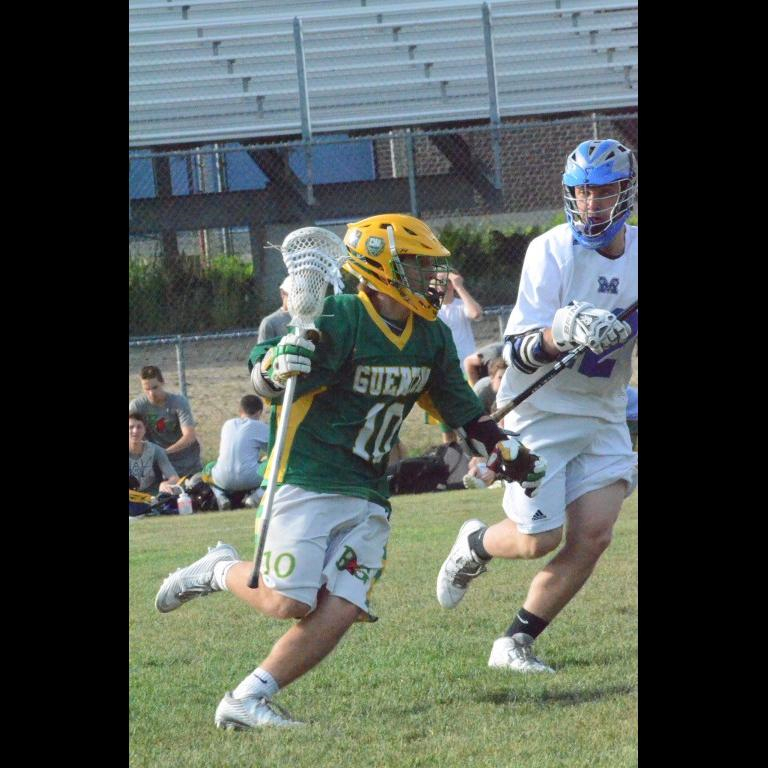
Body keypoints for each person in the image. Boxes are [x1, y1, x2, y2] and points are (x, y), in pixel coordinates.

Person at [154, 213, 547, 729]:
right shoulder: (339, 317)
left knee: (343, 603)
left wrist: (506, 450)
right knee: (287, 602)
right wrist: (276, 366)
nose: (432, 277)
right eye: (418, 265)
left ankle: (248, 699)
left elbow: (463, 412)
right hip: (308, 476)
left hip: (369, 488)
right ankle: (218, 569)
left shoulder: (429, 335)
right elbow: (265, 369)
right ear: (382, 269)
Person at [436, 138, 638, 674]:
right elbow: (516, 350)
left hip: (603, 411)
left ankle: (515, 642)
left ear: (626, 193)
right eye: (581, 193)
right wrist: (562, 332)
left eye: (602, 192)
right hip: (542, 410)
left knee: (593, 535)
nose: (590, 204)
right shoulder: (552, 250)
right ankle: (476, 542)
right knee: (537, 539)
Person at [433, 271, 483, 443]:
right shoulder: (431, 309)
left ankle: (478, 453)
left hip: (467, 371)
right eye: (436, 280)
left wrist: (459, 287)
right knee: (448, 428)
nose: (439, 284)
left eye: (445, 280)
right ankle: (453, 456)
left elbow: (476, 313)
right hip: (444, 372)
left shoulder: (461, 305)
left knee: (475, 420)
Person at [129, 365, 203, 480]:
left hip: (186, 462)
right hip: (156, 466)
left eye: (155, 387)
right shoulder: (137, 406)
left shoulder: (178, 402)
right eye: (147, 389)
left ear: (162, 382)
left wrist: (163, 453)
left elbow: (189, 436)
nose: (151, 393)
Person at [208, 395, 269, 509]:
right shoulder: (261, 426)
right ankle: (255, 498)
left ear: (240, 410)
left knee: (208, 469)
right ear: (259, 412)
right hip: (250, 478)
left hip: (222, 479)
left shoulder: (227, 424)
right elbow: (275, 452)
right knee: (277, 469)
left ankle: (220, 497)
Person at [129, 412, 179, 495]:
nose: (135, 431)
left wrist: (166, 483)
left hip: (151, 496)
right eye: (131, 427)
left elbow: (174, 477)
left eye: (139, 427)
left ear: (145, 430)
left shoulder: (156, 450)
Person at [257, 276, 293, 343]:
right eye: (293, 294)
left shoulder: (309, 320)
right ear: (282, 293)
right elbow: (264, 349)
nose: (298, 298)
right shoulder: (269, 323)